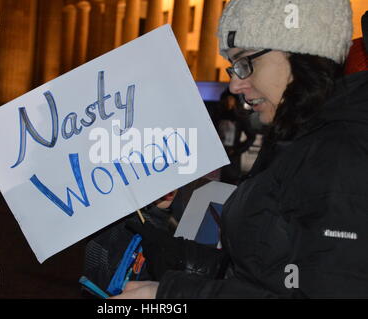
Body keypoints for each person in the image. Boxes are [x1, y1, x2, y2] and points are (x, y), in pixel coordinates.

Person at [112, 0, 368, 298]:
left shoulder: (342, 152)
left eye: (246, 62)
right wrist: (160, 244)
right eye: (233, 66)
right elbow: (268, 270)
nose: (234, 84)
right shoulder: (296, 137)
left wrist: (172, 295)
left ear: (301, 53)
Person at [212, 89, 256, 184]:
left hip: (232, 158)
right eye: (226, 99)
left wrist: (237, 150)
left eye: (231, 99)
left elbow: (251, 136)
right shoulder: (218, 115)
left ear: (235, 101)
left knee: (230, 184)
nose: (228, 101)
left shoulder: (240, 116)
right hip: (217, 156)